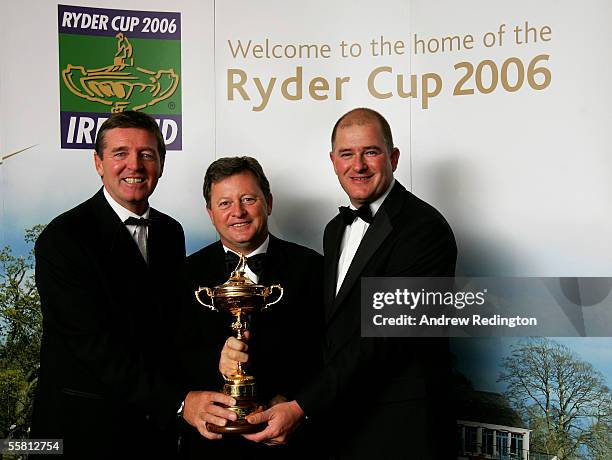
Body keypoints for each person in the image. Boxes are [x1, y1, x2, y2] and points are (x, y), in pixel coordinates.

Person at [236, 108, 458, 458]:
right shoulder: (334, 230)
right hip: (342, 423)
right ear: (333, 161)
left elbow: (384, 338)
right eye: (346, 154)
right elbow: (332, 331)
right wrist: (287, 391)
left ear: (393, 157)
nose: (358, 165)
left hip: (402, 427)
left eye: (370, 152)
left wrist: (302, 405)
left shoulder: (424, 230)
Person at [31, 111, 235, 459]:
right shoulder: (63, 239)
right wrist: (180, 401)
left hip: (153, 432)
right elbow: (95, 347)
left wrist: (221, 364)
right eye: (120, 153)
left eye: (146, 154)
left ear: (161, 164)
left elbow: (173, 327)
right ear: (98, 163)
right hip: (84, 432)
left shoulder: (170, 232)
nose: (134, 165)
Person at [178, 156, 324, 459]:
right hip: (209, 448)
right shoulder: (182, 275)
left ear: (268, 203)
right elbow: (167, 358)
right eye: (225, 203)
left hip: (292, 443)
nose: (238, 212)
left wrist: (300, 406)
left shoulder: (314, 268)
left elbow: (332, 354)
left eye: (248, 199)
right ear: (210, 213)